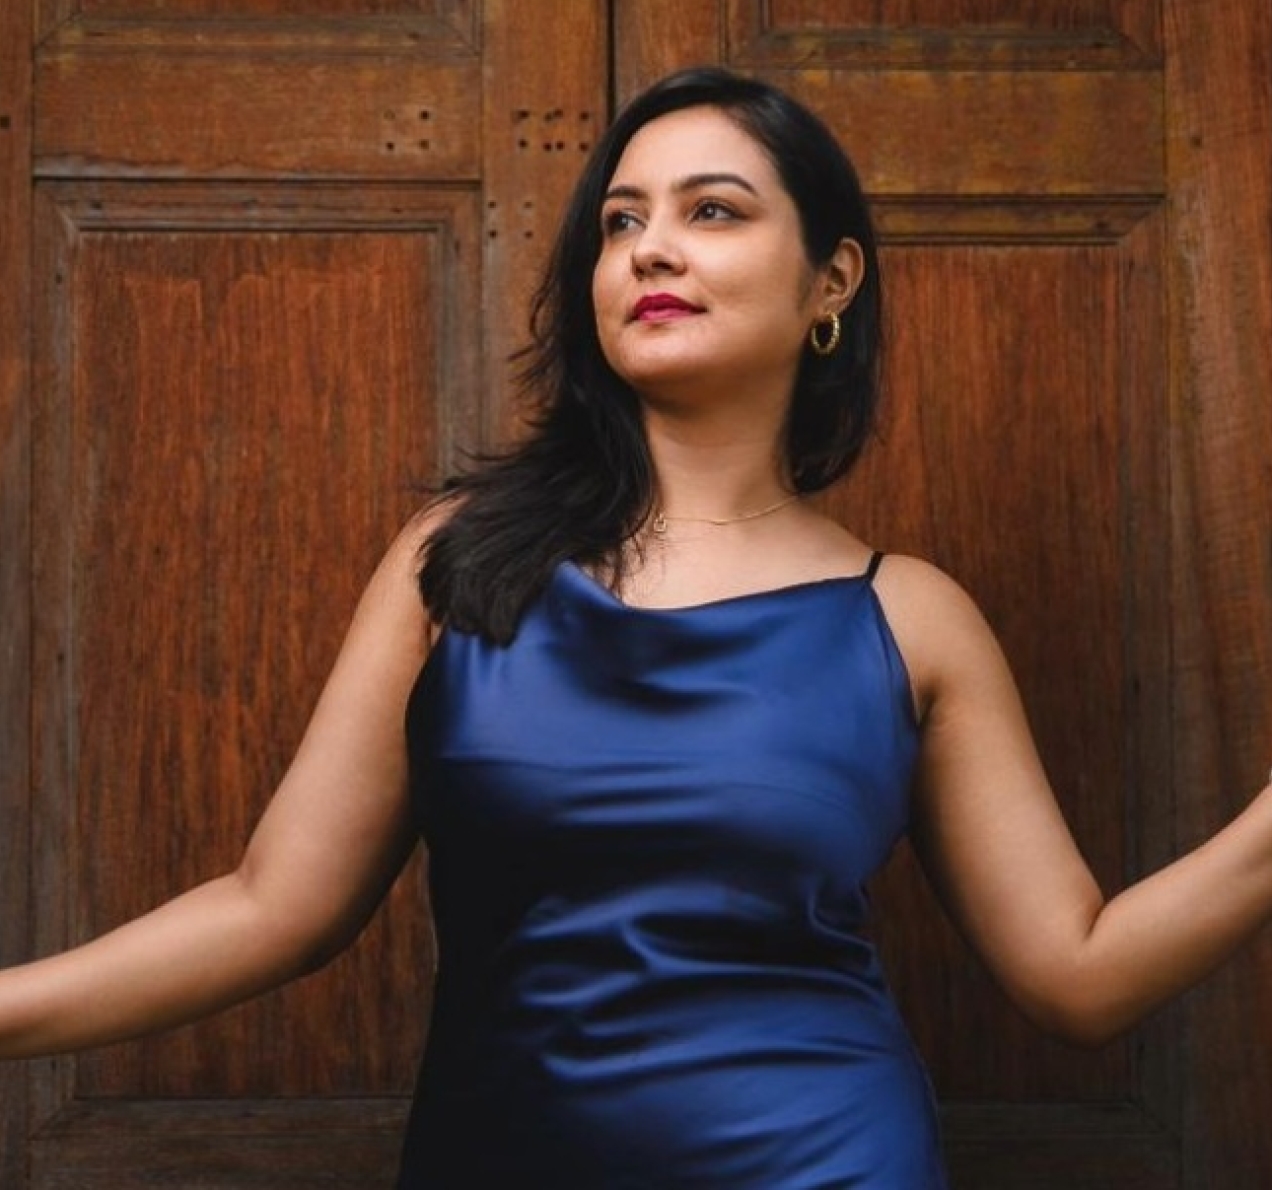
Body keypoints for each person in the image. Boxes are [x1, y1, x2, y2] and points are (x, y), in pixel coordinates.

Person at [1, 67, 1270, 1188]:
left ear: (831, 278)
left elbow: (1079, 975)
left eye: (711, 210)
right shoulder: (462, 562)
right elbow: (277, 906)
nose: (651, 250)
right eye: (623, 222)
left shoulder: (910, 619)